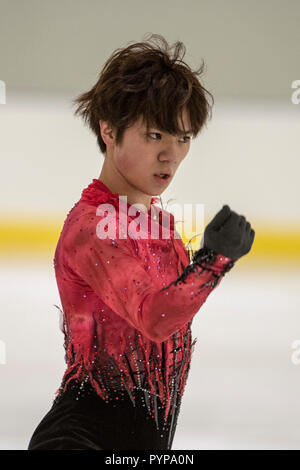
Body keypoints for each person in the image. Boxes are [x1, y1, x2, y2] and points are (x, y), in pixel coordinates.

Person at [27, 33, 254, 450]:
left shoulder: (163, 227)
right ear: (109, 130)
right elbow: (155, 319)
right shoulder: (93, 227)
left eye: (183, 138)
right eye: (155, 136)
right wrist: (214, 260)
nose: (171, 154)